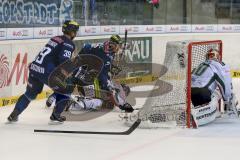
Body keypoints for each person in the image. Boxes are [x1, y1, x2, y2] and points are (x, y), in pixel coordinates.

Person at [7, 20, 80, 123]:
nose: (75, 33)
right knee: (67, 89)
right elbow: (63, 61)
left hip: (35, 68)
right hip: (47, 72)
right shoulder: (69, 44)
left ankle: (15, 113)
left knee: (29, 94)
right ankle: (56, 115)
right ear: (72, 31)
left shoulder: (55, 38)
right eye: (75, 31)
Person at [45, 35, 133, 113]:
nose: (118, 48)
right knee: (97, 102)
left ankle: (55, 95)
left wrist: (110, 68)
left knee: (73, 81)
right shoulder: (105, 56)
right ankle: (71, 103)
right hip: (85, 79)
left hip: (81, 72)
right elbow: (103, 79)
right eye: (118, 46)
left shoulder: (105, 47)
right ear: (113, 45)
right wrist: (120, 105)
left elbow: (87, 47)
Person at [191, 48, 238, 127]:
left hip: (191, 92)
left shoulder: (201, 65)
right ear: (218, 57)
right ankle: (201, 113)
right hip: (202, 92)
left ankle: (204, 108)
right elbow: (224, 84)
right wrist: (228, 100)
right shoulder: (218, 65)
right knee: (218, 92)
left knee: (212, 87)